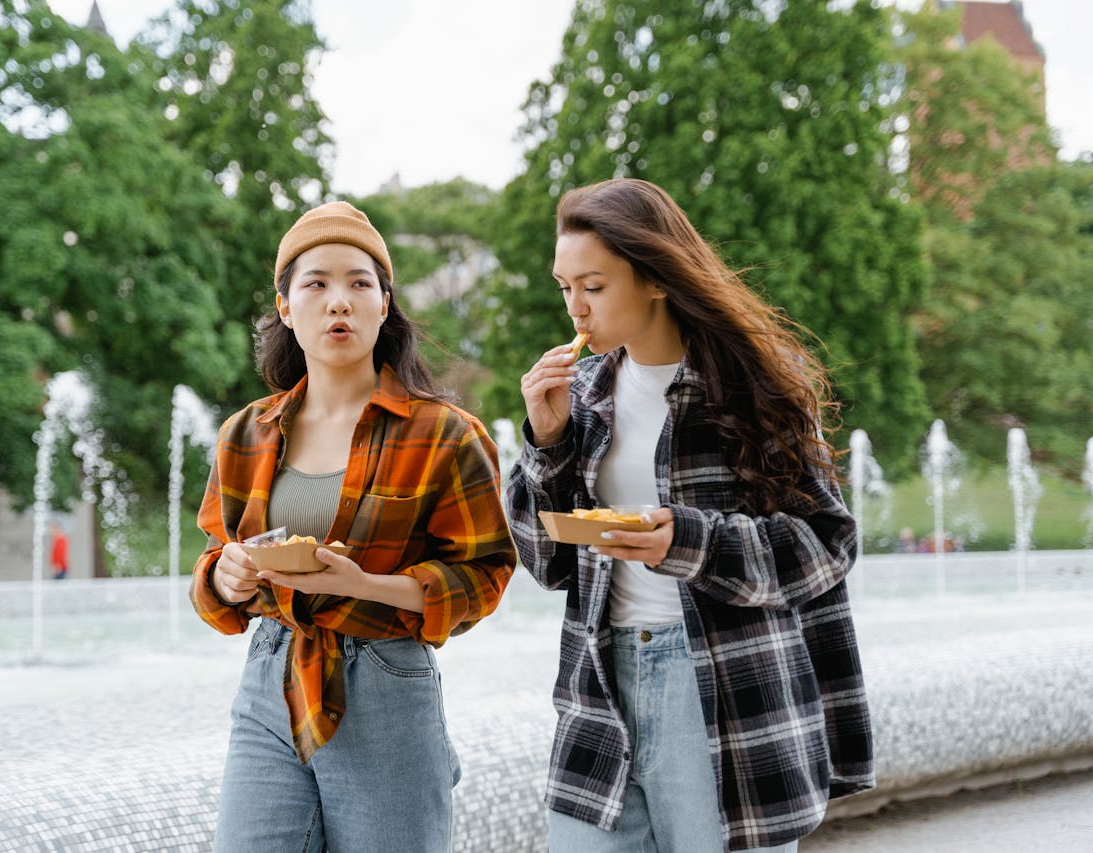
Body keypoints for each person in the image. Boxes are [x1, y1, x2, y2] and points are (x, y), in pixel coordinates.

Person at [506, 179, 873, 852]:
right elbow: (548, 562)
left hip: (721, 685)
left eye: (593, 285)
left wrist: (689, 540)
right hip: (599, 685)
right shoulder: (581, 393)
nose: (575, 307)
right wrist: (548, 441)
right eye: (565, 288)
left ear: (653, 278)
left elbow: (827, 543)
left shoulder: (756, 385)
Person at [190, 201, 516, 853]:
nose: (339, 301)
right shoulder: (245, 434)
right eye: (316, 283)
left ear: (384, 302)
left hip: (387, 682)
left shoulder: (446, 435)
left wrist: (365, 583)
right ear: (286, 306)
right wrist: (224, 576)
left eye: (359, 283)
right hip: (271, 678)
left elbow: (482, 578)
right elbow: (213, 577)